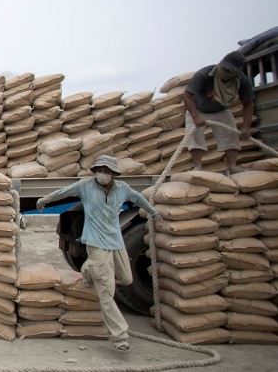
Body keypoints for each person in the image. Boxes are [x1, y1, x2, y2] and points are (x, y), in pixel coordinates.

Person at [36, 155, 161, 352]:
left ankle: (88, 268)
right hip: (96, 243)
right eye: (100, 170)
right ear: (95, 171)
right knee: (106, 292)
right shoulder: (85, 186)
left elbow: (138, 198)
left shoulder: (122, 188)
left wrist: (153, 212)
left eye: (107, 171)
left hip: (116, 242)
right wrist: (44, 200)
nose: (103, 174)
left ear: (113, 174)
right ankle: (120, 336)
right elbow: (63, 192)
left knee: (127, 279)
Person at [182, 51, 254, 173]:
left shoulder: (242, 80)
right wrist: (195, 116)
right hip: (198, 109)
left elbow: (248, 103)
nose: (224, 72)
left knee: (231, 136)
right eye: (223, 68)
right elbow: (187, 96)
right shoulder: (204, 74)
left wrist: (247, 126)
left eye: (229, 71)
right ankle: (197, 166)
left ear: (236, 72)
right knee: (194, 137)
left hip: (221, 110)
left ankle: (232, 166)